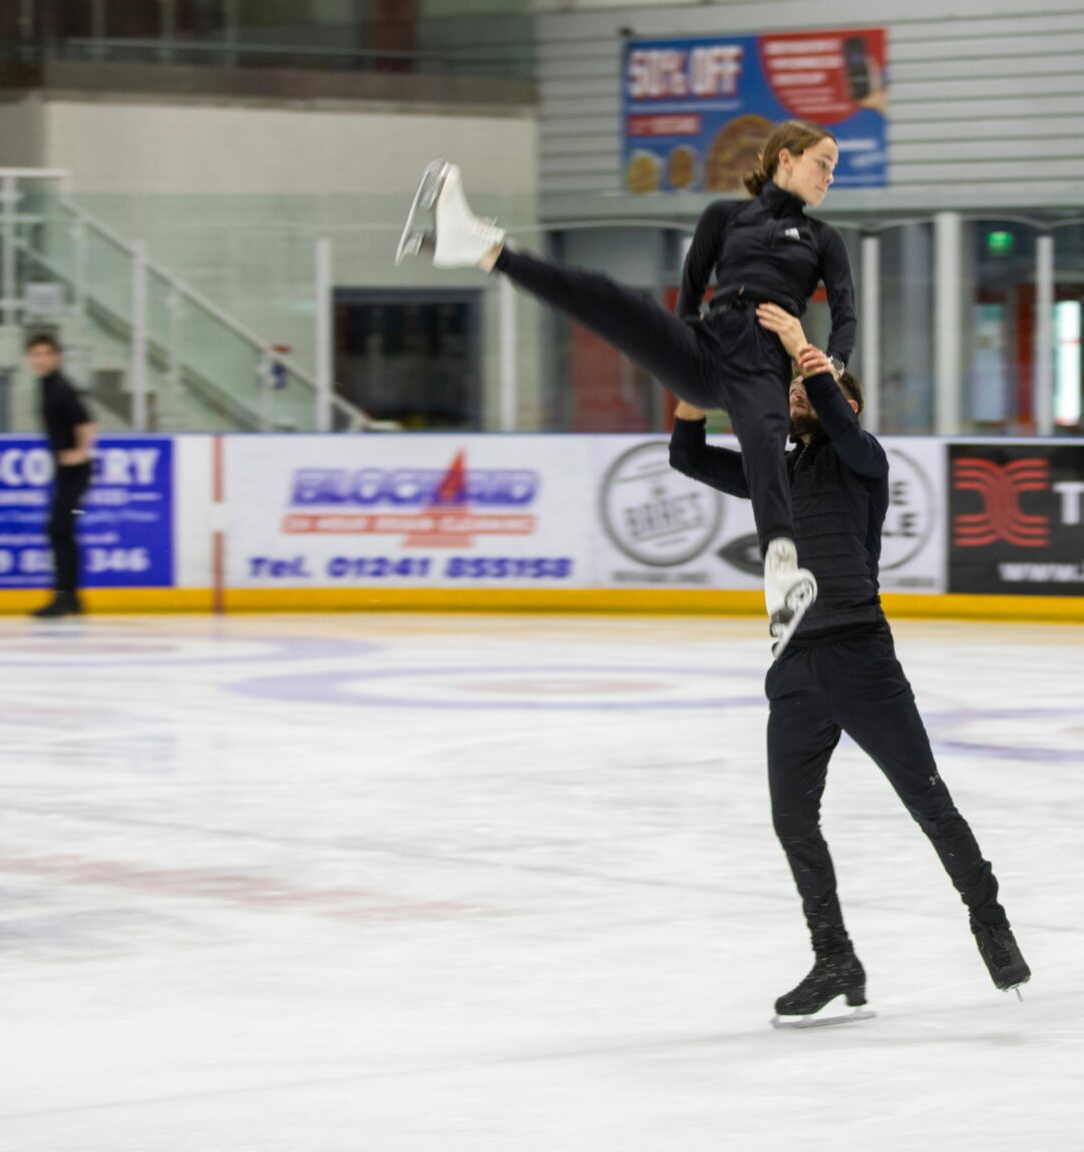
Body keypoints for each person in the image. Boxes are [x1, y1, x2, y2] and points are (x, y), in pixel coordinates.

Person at [669, 308, 1030, 1027]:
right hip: (795, 665)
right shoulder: (774, 473)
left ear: (848, 402)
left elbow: (832, 410)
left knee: (928, 801)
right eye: (797, 389)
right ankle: (835, 957)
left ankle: (989, 924)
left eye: (815, 389)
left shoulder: (865, 460)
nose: (798, 395)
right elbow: (685, 453)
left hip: (862, 656)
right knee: (792, 818)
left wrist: (808, 351)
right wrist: (692, 382)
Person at [396, 120, 857, 656]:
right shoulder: (723, 217)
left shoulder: (825, 240)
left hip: (764, 363)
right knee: (604, 296)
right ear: (786, 158)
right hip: (707, 347)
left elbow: (846, 314)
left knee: (765, 443)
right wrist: (683, 357)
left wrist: (827, 364)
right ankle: (482, 249)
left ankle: (780, 577)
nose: (829, 176)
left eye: (834, 169)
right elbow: (688, 294)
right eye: (824, 163)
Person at [27, 333, 95, 619]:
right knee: (62, 531)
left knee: (59, 529)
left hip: (76, 472)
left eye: (46, 354)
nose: (41, 359)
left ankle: (64, 598)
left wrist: (81, 451)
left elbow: (87, 422)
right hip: (66, 472)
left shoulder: (61, 388)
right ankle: (71, 597)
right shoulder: (46, 386)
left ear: (56, 357)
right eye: (36, 354)